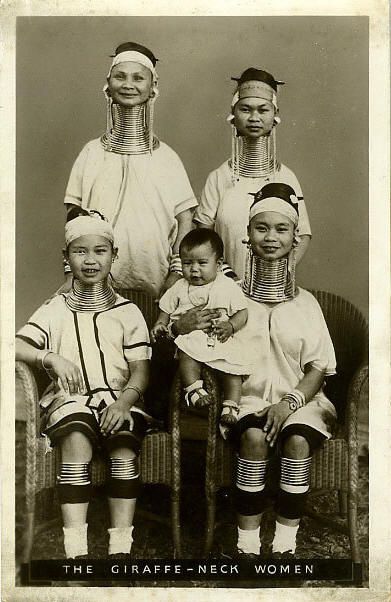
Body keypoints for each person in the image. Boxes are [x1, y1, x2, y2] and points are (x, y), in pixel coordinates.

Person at [16, 213, 152, 559]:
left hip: (119, 399)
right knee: (76, 437)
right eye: (80, 252)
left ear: (113, 255)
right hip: (69, 400)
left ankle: (121, 545)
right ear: (66, 256)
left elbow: (140, 371)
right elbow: (15, 345)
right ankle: (75, 547)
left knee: (123, 444)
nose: (90, 260)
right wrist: (50, 358)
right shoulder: (54, 309)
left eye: (99, 251)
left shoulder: (128, 311)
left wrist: (123, 403)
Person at [220, 182, 337, 558]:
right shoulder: (230, 298)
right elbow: (216, 356)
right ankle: (247, 546)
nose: (271, 238)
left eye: (281, 229)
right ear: (248, 237)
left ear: (294, 238)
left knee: (298, 440)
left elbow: (318, 366)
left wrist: (289, 403)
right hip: (246, 399)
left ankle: (285, 544)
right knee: (253, 439)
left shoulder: (307, 305)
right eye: (261, 228)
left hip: (301, 400)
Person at [62, 41, 197, 298]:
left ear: (152, 87)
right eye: (120, 77)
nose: (128, 85)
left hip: (156, 280)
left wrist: (176, 274)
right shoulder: (91, 153)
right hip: (95, 279)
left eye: (138, 78)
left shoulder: (167, 158)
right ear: (108, 84)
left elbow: (186, 221)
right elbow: (73, 218)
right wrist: (71, 273)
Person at [194, 68, 312, 280]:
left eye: (263, 110)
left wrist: (281, 273)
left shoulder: (286, 178)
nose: (254, 118)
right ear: (233, 114)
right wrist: (227, 278)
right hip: (225, 287)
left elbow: (302, 234)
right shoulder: (218, 178)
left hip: (271, 286)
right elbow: (204, 238)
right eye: (246, 110)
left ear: (275, 115)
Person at [151, 229, 252, 425]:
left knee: (234, 370)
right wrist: (160, 324)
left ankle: (231, 405)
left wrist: (231, 326)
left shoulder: (228, 286)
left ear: (219, 264)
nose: (194, 270)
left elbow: (242, 313)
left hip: (221, 337)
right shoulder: (179, 287)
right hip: (192, 337)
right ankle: (194, 389)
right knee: (186, 355)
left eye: (202, 263)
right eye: (188, 264)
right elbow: (165, 310)